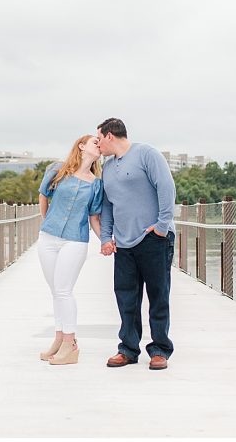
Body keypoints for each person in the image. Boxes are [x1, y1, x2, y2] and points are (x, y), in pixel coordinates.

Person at [96, 117, 176, 370]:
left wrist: (162, 226)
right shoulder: (107, 168)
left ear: (110, 135)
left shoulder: (146, 154)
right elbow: (107, 205)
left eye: (99, 139)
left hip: (153, 239)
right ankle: (128, 349)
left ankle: (160, 349)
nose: (98, 145)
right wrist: (106, 237)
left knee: (158, 295)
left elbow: (166, 187)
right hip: (124, 243)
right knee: (126, 298)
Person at [36, 134, 104, 365]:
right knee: (56, 291)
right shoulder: (57, 170)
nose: (100, 144)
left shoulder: (96, 183)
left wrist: (105, 241)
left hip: (75, 240)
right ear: (82, 145)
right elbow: (43, 196)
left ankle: (70, 344)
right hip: (48, 238)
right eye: (96, 141)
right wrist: (48, 223)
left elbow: (94, 216)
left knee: (64, 290)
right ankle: (58, 339)